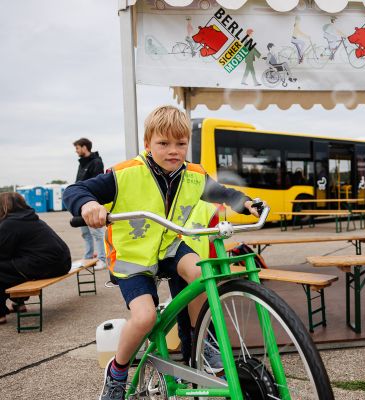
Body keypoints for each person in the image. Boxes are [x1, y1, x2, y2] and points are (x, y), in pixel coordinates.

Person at [63, 106, 262, 400]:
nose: (174, 151)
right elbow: (74, 190)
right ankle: (117, 372)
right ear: (147, 144)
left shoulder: (193, 175)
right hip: (134, 257)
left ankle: (201, 341)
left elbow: (221, 193)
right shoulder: (125, 174)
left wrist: (244, 203)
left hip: (170, 246)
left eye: (181, 143)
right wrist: (87, 205)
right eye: (164, 143)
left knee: (201, 271)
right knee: (144, 318)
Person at [0, 192, 71, 324]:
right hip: (63, 263)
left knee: (4, 269)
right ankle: (19, 304)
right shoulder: (32, 218)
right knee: (13, 266)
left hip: (45, 265)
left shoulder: (10, 223)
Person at [73, 137, 106, 270]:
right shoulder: (82, 163)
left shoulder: (96, 162)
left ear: (84, 147)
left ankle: (103, 260)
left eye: (77, 148)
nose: (76, 151)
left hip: (93, 204)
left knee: (97, 233)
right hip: (82, 205)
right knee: (86, 234)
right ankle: (88, 257)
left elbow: (97, 184)